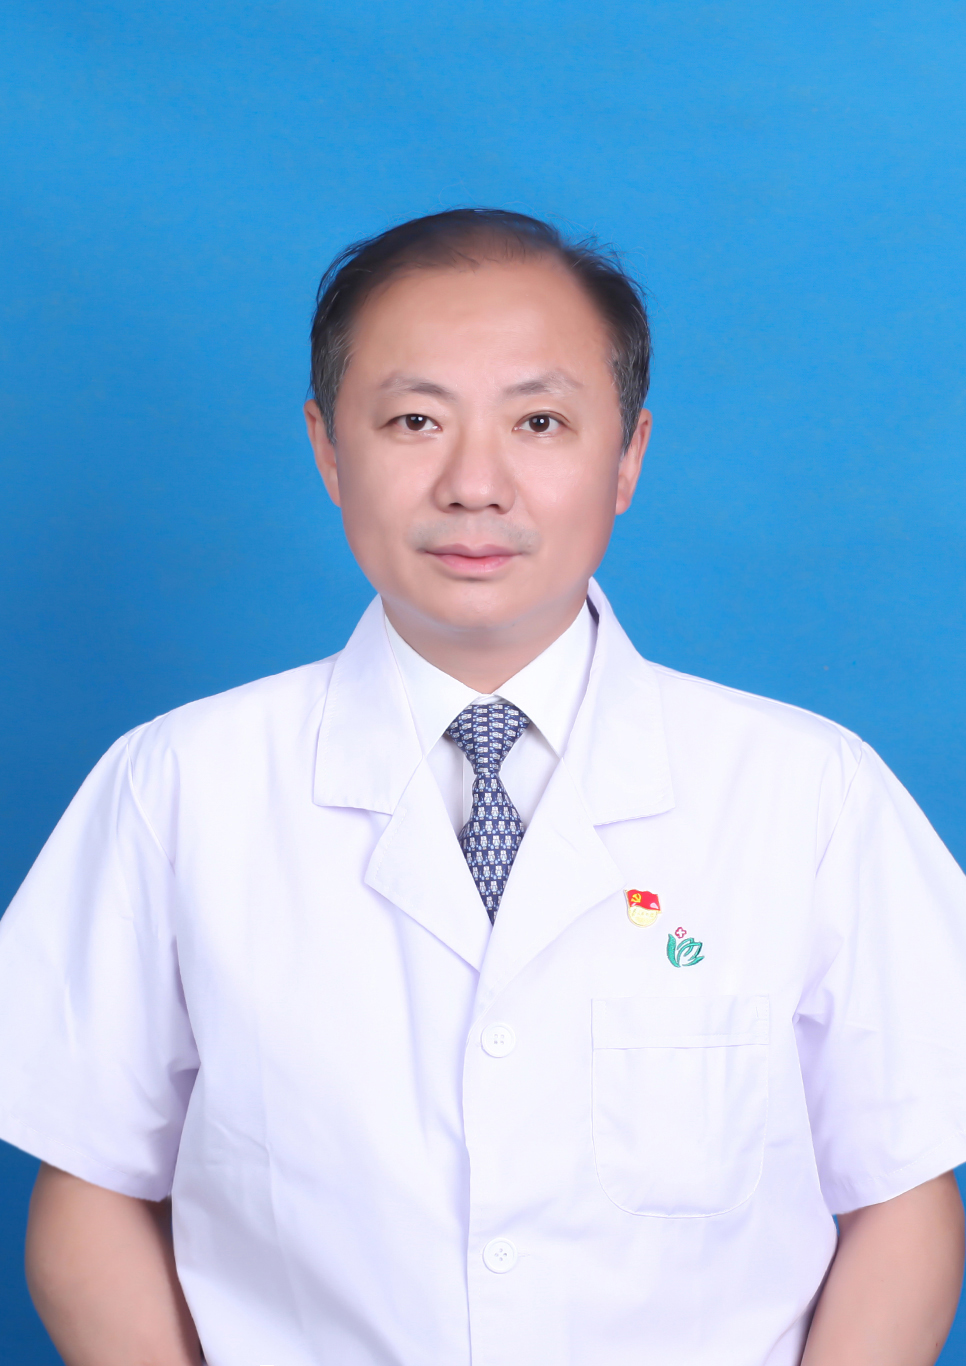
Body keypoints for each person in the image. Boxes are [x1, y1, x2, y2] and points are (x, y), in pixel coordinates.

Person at [1, 208, 964, 1366]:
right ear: (327, 448)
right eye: (414, 420)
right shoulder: (174, 788)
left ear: (628, 455)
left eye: (539, 422)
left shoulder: (812, 796)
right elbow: (92, 1183)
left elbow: (901, 1195)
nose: (473, 484)